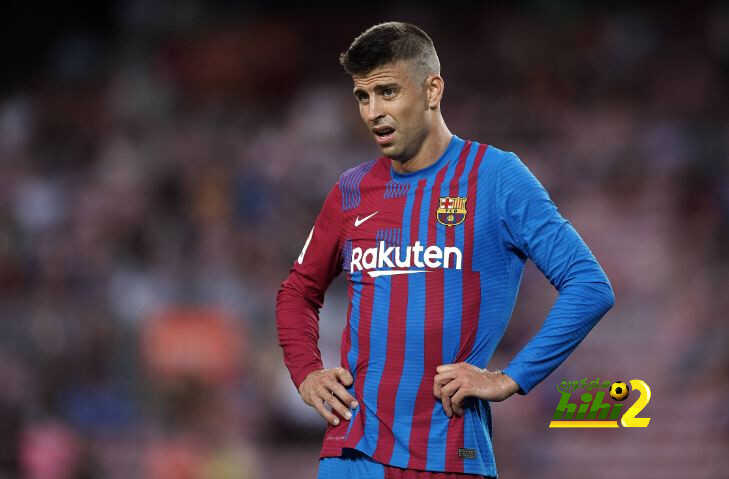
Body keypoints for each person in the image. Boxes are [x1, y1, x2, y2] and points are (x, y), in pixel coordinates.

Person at [276, 21, 614, 479]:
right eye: (363, 96)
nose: (373, 112)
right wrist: (306, 372)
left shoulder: (496, 177)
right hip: (352, 453)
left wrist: (511, 377)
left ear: (432, 90)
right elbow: (297, 291)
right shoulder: (351, 190)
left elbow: (589, 285)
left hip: (449, 453)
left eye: (388, 92)